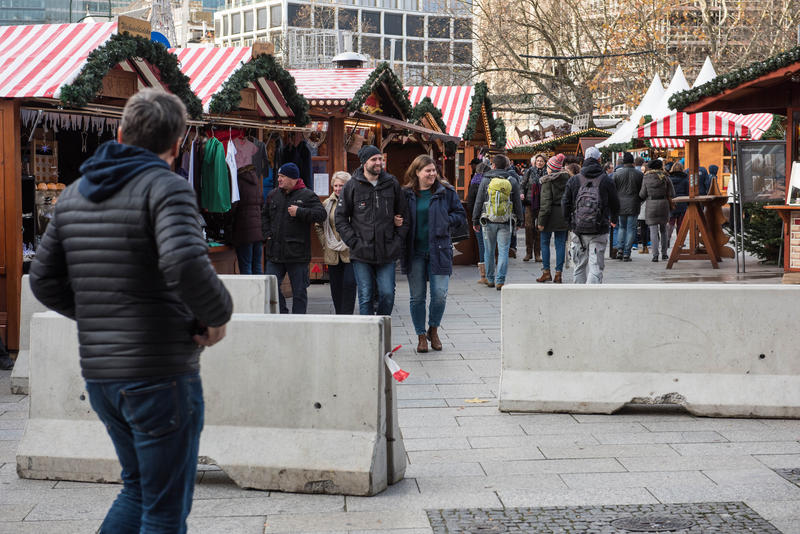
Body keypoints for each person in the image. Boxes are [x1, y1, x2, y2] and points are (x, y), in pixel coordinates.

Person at [28, 88, 233, 533]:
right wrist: (217, 315)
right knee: (163, 509)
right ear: (178, 145)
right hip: (158, 372)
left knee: (139, 488)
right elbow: (184, 262)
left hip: (102, 375)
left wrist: (103, 318)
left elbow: (43, 280)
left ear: (119, 134)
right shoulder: (167, 187)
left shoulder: (75, 193)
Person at [402, 155, 466, 353]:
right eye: (427, 171)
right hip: (415, 251)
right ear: (417, 172)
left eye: (433, 170)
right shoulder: (406, 194)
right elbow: (398, 216)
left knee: (440, 295)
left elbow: (460, 215)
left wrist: (446, 219)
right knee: (417, 297)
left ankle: (434, 329)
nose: (431, 174)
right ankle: (421, 336)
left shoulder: (445, 192)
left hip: (439, 250)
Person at [335, 145, 409, 316]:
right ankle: (368, 338)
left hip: (387, 251)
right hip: (361, 252)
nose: (378, 163)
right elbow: (340, 218)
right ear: (364, 162)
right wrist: (353, 242)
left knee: (387, 294)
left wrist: (397, 241)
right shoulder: (352, 186)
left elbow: (404, 216)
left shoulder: (391, 183)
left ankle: (382, 328)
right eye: (374, 159)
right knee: (366, 296)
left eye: (380, 159)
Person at [263, 162, 326, 314]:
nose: (279, 179)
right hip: (275, 253)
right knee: (270, 287)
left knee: (299, 292)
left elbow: (321, 215)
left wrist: (300, 212)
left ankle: (299, 320)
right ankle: (283, 315)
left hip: (297, 254)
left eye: (282, 176)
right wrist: (267, 235)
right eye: (278, 176)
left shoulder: (307, 195)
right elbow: (264, 216)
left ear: (293, 178)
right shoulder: (273, 194)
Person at [562, 146, 620, 284]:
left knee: (579, 266)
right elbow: (615, 203)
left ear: (585, 160)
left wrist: (569, 223)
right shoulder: (606, 180)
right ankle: (592, 297)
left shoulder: (574, 180)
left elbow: (565, 202)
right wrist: (614, 219)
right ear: (599, 159)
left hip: (578, 229)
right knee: (596, 267)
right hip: (599, 229)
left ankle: (579, 297)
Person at [472, 154, 523, 290]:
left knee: (488, 251)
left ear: (493, 165)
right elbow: (517, 202)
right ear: (507, 166)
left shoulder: (486, 180)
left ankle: (489, 279)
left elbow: (479, 201)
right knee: (503, 251)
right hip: (506, 220)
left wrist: (475, 219)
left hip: (488, 220)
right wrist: (519, 220)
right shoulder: (512, 180)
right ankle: (500, 280)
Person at [315, 171, 356, 314]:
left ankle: (348, 315)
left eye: (341, 186)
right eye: (336, 186)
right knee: (336, 286)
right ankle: (340, 315)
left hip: (350, 250)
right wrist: (325, 243)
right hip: (332, 251)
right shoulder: (327, 203)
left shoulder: (355, 201)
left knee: (349, 283)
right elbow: (318, 225)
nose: (338, 188)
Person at [536, 154, 569, 283]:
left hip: (549, 216)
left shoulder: (547, 181)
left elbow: (545, 203)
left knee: (544, 243)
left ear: (550, 168)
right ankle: (558, 274)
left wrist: (541, 221)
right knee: (560, 244)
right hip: (562, 215)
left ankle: (546, 272)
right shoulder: (568, 179)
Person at [639, 159, 675, 262]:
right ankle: (664, 253)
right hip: (664, 203)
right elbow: (672, 193)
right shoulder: (665, 177)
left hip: (651, 204)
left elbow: (642, 194)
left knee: (653, 230)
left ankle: (655, 255)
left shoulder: (646, 177)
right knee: (663, 229)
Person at [613, 152, 644, 261]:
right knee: (631, 228)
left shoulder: (617, 174)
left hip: (620, 204)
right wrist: (640, 200)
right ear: (633, 162)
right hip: (634, 203)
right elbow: (643, 191)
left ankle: (620, 249)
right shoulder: (639, 174)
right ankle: (627, 252)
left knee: (621, 227)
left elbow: (613, 190)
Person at [467, 161, 491, 284]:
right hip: (493, 218)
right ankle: (492, 273)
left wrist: (474, 218)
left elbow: (470, 202)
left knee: (482, 244)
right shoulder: (493, 181)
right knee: (491, 245)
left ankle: (484, 275)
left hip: (480, 218)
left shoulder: (475, 182)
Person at [521, 153, 547, 262]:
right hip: (529, 202)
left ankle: (537, 253)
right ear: (535, 162)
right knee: (528, 227)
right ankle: (528, 252)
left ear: (545, 162)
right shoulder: (529, 171)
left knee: (539, 228)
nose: (539, 163)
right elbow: (522, 184)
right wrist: (521, 193)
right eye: (538, 161)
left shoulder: (547, 172)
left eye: (541, 161)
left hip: (542, 203)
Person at [667, 161, 690, 247]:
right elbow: (687, 192)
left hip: (672, 202)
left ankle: (667, 239)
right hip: (682, 203)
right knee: (680, 224)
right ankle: (680, 242)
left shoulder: (669, 179)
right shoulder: (685, 179)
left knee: (671, 222)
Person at [604, 161, 620, 259]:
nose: (613, 169)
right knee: (615, 227)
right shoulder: (609, 178)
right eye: (611, 167)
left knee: (613, 227)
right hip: (612, 205)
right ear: (607, 169)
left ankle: (613, 248)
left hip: (608, 205)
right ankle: (614, 247)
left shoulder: (609, 177)